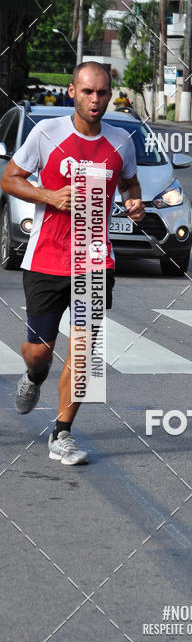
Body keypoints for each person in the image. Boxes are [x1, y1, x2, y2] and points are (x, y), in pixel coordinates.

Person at [0, 61, 145, 465]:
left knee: (85, 351)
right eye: (87, 92)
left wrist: (134, 202)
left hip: (95, 260)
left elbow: (131, 181)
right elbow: (9, 178)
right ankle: (33, 376)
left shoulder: (121, 142)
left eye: (102, 93)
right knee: (39, 351)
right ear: (72, 92)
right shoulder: (46, 134)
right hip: (46, 257)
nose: (96, 100)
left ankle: (62, 433)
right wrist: (50, 196)